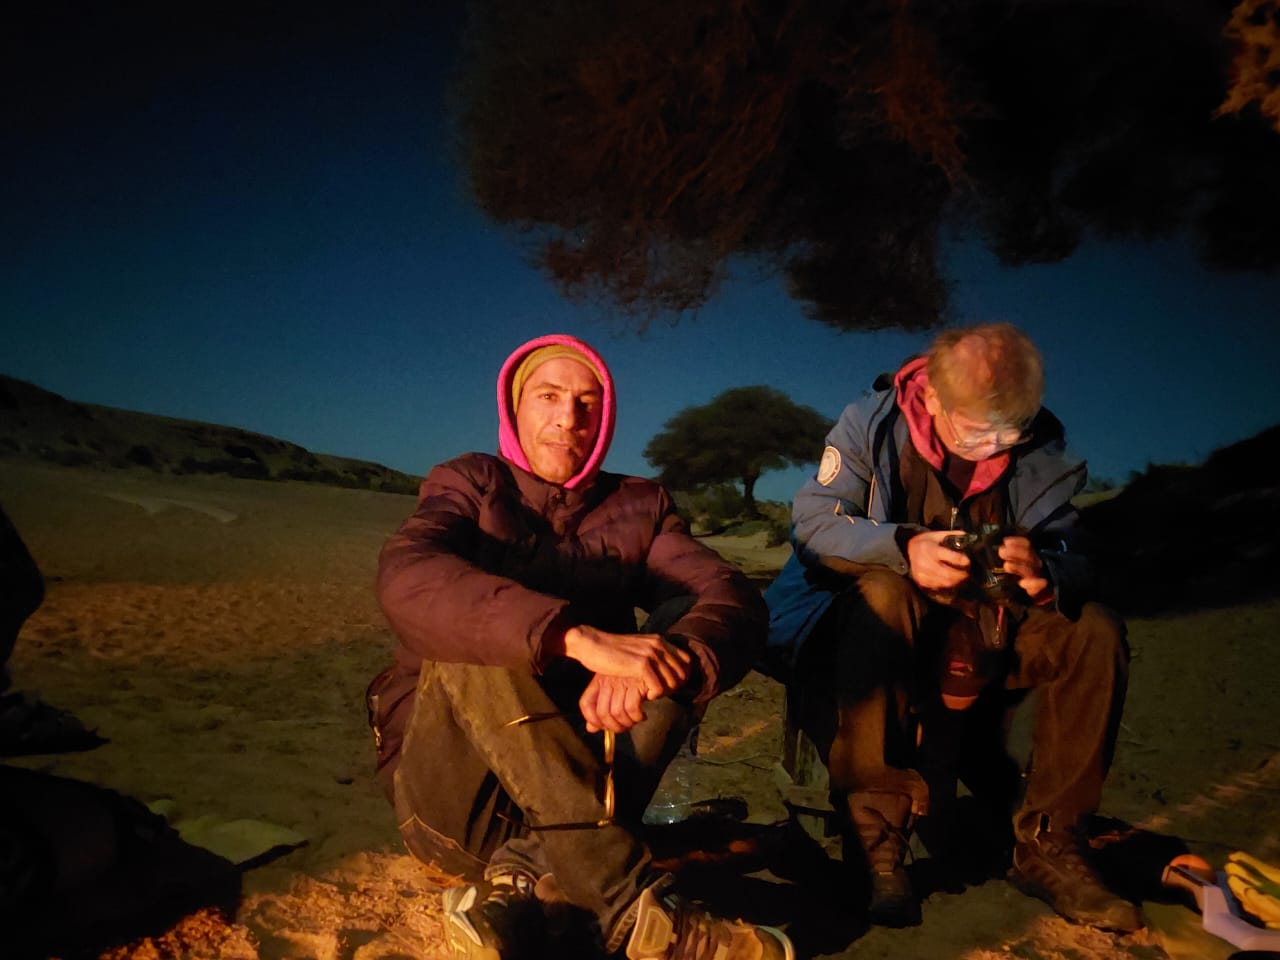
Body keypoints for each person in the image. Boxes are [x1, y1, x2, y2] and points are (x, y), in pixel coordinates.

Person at [367, 334, 794, 960]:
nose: (569, 418)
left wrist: (656, 654)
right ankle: (619, 902)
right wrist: (576, 639)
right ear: (516, 408)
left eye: (588, 402)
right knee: (472, 628)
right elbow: (408, 573)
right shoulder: (469, 481)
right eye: (549, 396)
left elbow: (728, 593)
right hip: (458, 809)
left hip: (597, 791)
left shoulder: (641, 505)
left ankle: (526, 880)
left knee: (678, 639)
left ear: (607, 418)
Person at [763, 323, 1138, 932]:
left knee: (1093, 629)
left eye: (1009, 432)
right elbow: (812, 524)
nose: (994, 448)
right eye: (977, 429)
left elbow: (1079, 550)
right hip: (877, 622)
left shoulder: (1037, 446)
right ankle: (876, 839)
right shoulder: (870, 424)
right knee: (883, 591)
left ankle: (1051, 841)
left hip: (987, 628)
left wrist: (1048, 572)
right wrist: (901, 547)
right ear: (933, 398)